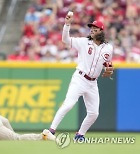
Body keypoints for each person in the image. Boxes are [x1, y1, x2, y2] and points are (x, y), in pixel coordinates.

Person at [48, 12, 114, 141]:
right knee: (68, 104)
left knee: (94, 113)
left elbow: (108, 64)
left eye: (95, 29)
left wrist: (109, 70)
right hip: (80, 78)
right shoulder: (83, 42)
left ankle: (80, 135)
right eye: (91, 28)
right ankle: (51, 130)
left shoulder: (108, 48)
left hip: (93, 83)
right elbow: (65, 40)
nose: (92, 30)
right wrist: (67, 25)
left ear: (101, 31)